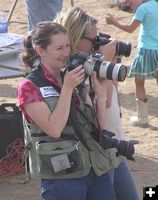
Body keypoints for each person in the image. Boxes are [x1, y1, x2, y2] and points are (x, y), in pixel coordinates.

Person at [17, 21, 122, 200]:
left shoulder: (74, 75)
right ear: (40, 50)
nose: (66, 53)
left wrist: (100, 93)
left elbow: (98, 126)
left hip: (95, 167)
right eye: (59, 48)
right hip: (64, 176)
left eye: (67, 46)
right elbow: (54, 129)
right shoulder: (29, 86)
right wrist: (67, 89)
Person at [55, 6, 139, 200]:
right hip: (97, 154)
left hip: (115, 147)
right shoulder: (72, 71)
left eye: (98, 36)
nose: (98, 42)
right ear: (75, 37)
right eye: (94, 40)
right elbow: (106, 104)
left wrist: (107, 63)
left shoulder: (95, 61)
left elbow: (114, 97)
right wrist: (105, 61)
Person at [106, 0, 158, 127]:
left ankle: (143, 118)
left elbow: (130, 29)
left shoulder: (143, 9)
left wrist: (114, 22)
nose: (127, 2)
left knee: (139, 82)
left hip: (146, 50)